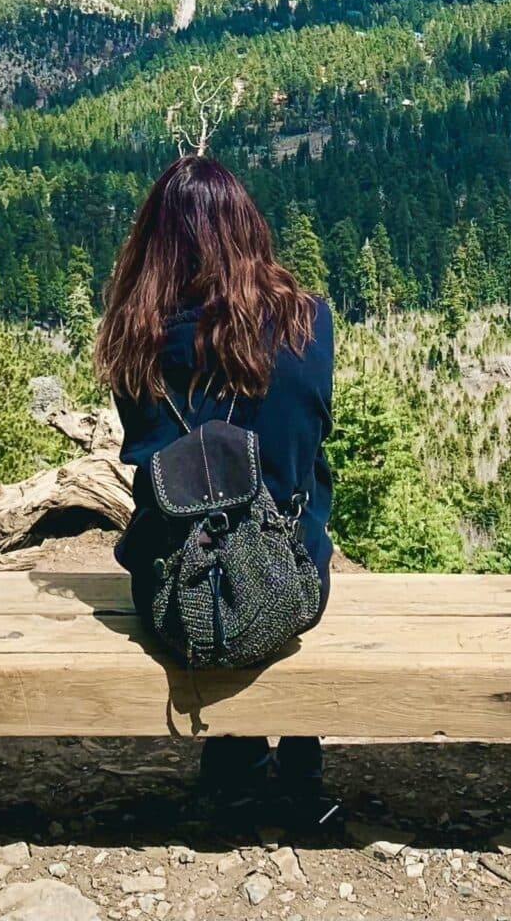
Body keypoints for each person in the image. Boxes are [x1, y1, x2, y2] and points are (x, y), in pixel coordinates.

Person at [95, 154, 336, 818]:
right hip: (292, 579)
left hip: (182, 595)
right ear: (248, 230)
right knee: (302, 500)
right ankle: (299, 751)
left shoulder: (134, 341)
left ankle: (235, 757)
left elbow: (149, 473)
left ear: (156, 244)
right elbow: (311, 440)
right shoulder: (308, 324)